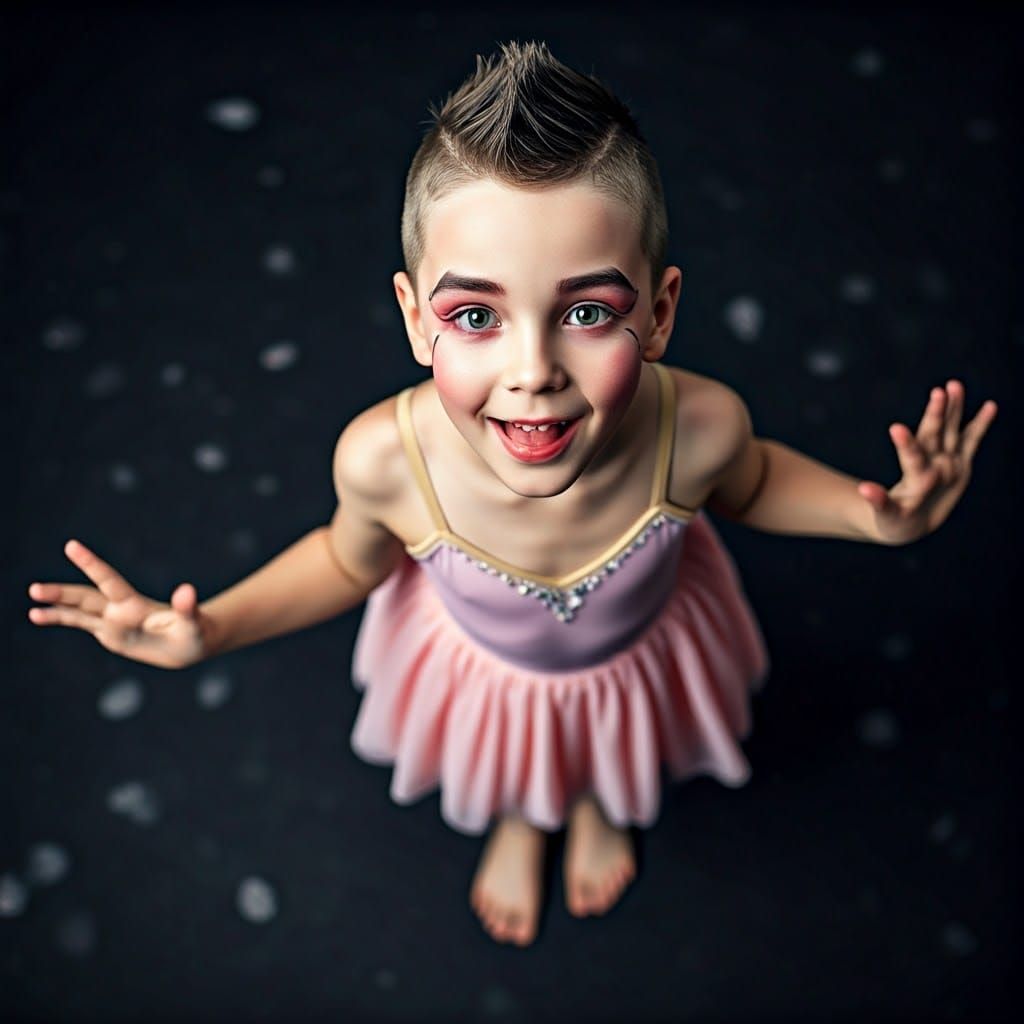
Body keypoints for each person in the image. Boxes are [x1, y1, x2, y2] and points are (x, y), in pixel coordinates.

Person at [26, 41, 998, 949]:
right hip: (481, 668)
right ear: (416, 321)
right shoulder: (384, 459)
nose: (532, 370)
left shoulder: (697, 425)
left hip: (637, 656)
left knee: (617, 754)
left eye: (584, 312)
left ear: (658, 315)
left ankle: (592, 809)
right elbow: (342, 558)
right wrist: (216, 627)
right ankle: (523, 818)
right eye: (475, 315)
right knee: (511, 763)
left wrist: (870, 515)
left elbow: (752, 482)